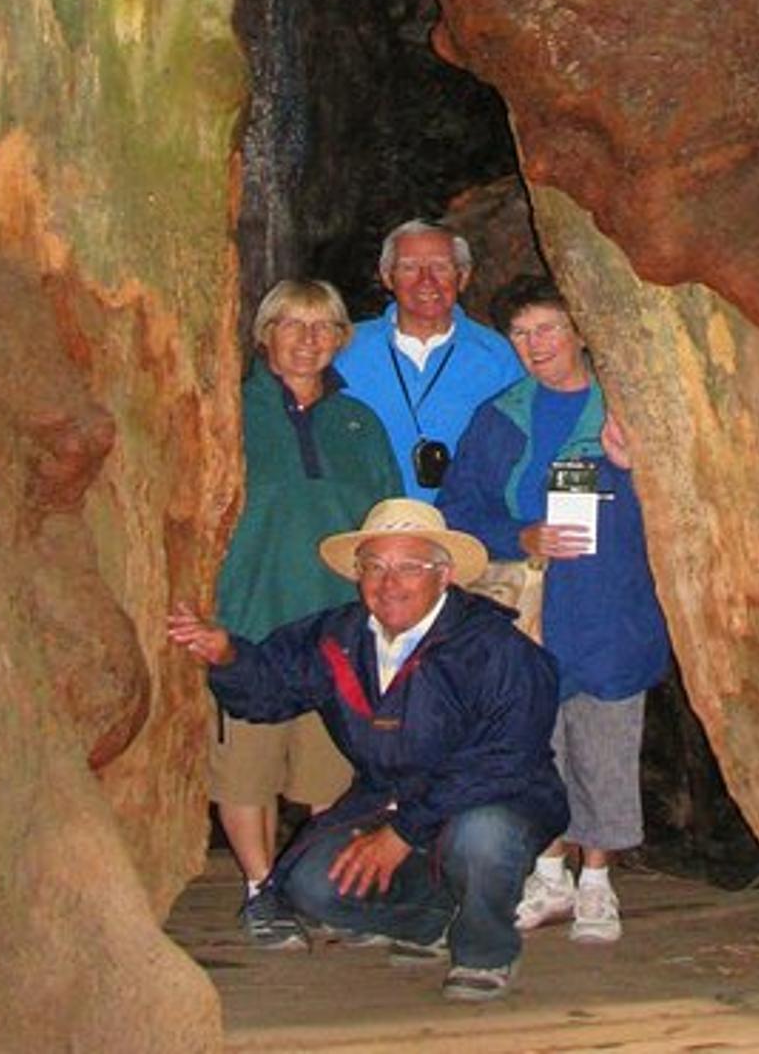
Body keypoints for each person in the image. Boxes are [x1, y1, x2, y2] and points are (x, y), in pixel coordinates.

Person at [168, 498, 568, 1002]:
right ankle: (434, 923)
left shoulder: (496, 649)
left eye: (408, 567)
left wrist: (402, 831)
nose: (388, 583)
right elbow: (269, 689)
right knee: (312, 882)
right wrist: (225, 654)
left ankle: (486, 950)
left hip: (495, 802)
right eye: (374, 567)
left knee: (483, 838)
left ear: (444, 576)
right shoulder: (338, 637)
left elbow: (503, 762)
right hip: (391, 801)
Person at [436, 275, 671, 945]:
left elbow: (688, 502)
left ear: (580, 330)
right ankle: (549, 873)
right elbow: (458, 509)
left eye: (547, 327)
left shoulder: (626, 408)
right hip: (530, 609)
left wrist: (635, 464)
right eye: (521, 332)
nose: (535, 344)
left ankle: (598, 881)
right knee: (536, 746)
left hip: (609, 600)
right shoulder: (501, 414)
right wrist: (520, 534)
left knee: (605, 742)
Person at [213, 279, 402, 950]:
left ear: (341, 338)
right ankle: (263, 889)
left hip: (338, 627)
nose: (307, 339)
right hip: (252, 618)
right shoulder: (229, 412)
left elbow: (387, 519)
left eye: (323, 326)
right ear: (265, 333)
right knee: (247, 768)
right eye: (291, 324)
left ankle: (323, 890)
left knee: (333, 773)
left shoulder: (359, 424)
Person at [332, 219, 523, 503]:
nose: (426, 280)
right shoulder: (342, 348)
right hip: (365, 523)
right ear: (387, 277)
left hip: (466, 528)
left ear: (463, 276)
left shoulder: (501, 358)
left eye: (440, 267)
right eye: (409, 267)